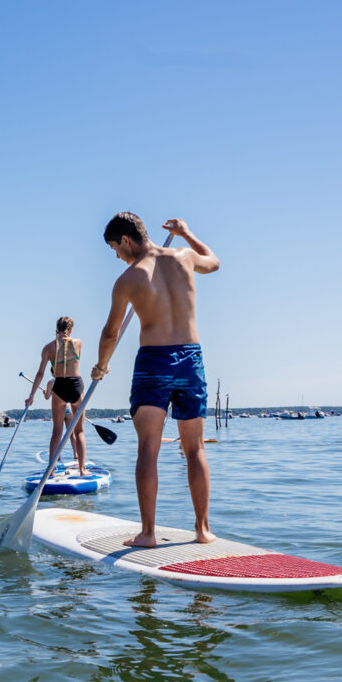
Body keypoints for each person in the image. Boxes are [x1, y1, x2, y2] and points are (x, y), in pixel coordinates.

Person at [91, 214, 220, 548]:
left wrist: (101, 365)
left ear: (126, 240)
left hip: (154, 360)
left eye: (114, 248)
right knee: (195, 449)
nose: (116, 256)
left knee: (148, 448)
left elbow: (111, 332)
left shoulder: (129, 278)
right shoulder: (185, 257)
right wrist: (188, 234)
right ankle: (203, 531)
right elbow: (214, 263)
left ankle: (148, 534)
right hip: (191, 359)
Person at [25, 317, 88, 475]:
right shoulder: (78, 343)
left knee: (56, 432)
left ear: (56, 328)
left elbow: (40, 373)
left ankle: (51, 469)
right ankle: (82, 469)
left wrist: (31, 395)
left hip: (59, 386)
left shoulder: (48, 348)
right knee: (79, 431)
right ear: (71, 329)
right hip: (76, 386)